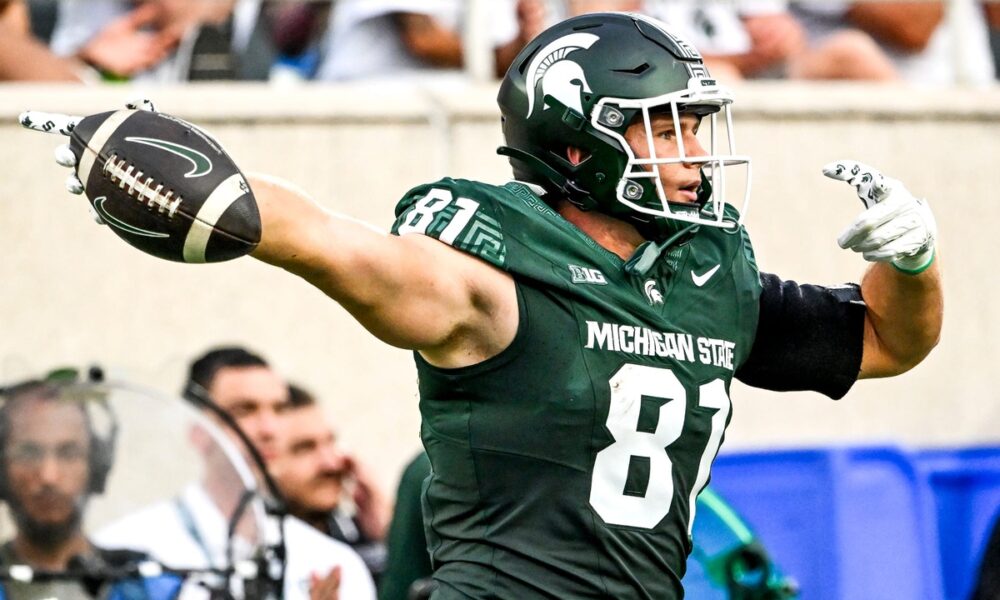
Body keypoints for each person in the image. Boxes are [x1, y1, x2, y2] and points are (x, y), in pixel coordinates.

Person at [22, 11, 943, 598]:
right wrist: (170, 168)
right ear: (579, 147)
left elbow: (887, 344)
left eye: (695, 123)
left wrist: (913, 259)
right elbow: (336, 244)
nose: (695, 149)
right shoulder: (491, 272)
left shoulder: (704, 272)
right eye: (665, 127)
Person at [97, 348, 376, 600]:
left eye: (279, 409)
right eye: (245, 410)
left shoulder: (329, 562)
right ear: (197, 430)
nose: (269, 429)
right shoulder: (128, 549)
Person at [0, 371, 182, 600]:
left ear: (97, 467)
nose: (49, 476)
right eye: (29, 453)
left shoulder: (146, 584)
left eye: (68, 453)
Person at [271, 384, 390, 582]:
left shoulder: (361, 536)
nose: (332, 463)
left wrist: (389, 533)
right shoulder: (259, 562)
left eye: (330, 442)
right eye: (305, 448)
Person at [314, 0, 546, 82]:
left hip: (446, 117)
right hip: (365, 111)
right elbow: (423, 40)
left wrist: (522, 43)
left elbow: (501, 62)